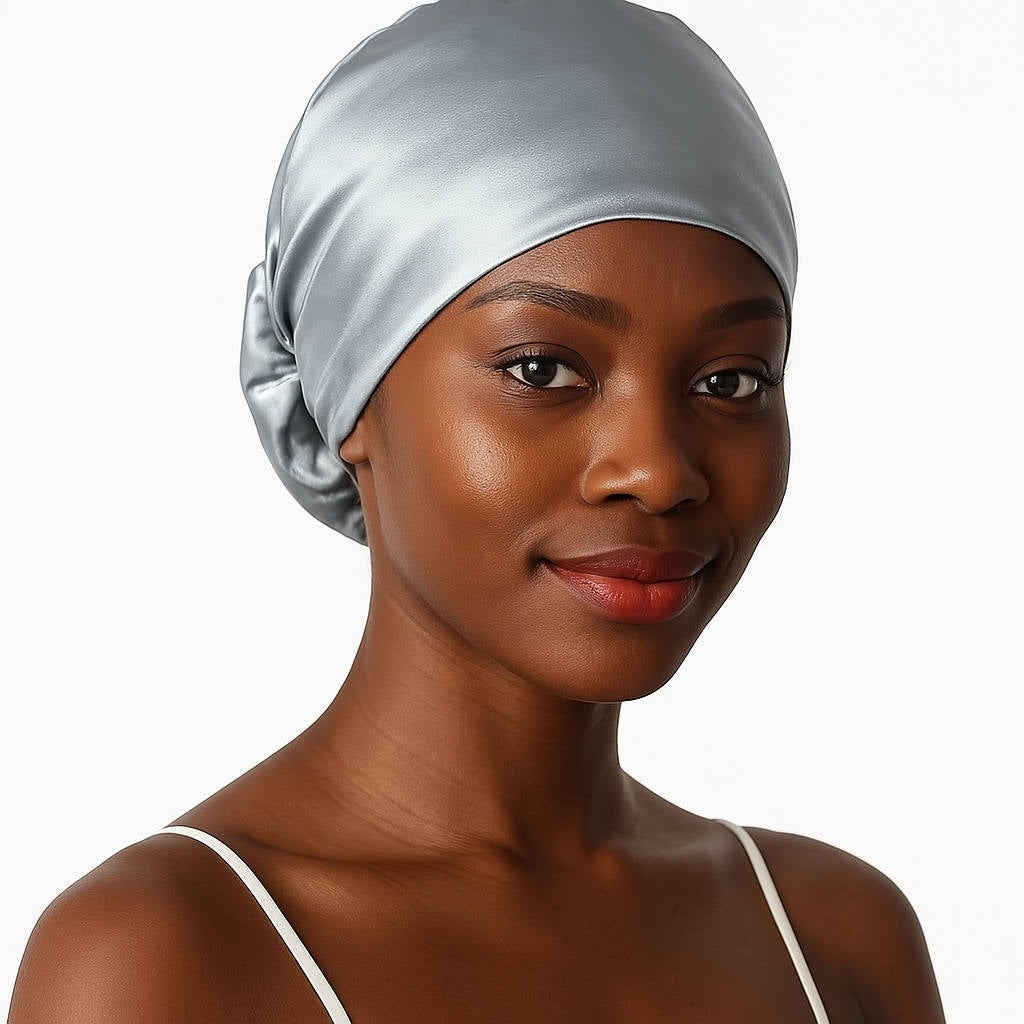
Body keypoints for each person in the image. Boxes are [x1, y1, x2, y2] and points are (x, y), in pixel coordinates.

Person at [9, 1, 946, 1021]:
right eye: (542, 368)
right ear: (342, 397)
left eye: (732, 381)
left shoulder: (834, 937)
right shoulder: (164, 958)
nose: (657, 471)